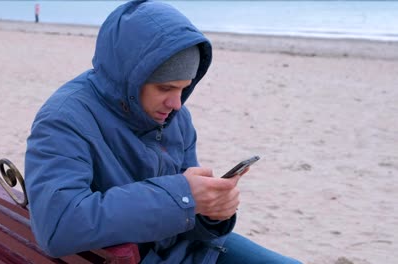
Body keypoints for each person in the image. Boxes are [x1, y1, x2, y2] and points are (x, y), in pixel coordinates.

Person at [25, 1, 302, 263]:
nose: (177, 103)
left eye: (184, 88)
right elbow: (59, 225)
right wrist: (183, 195)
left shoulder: (175, 117)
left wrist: (210, 210)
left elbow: (182, 210)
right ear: (132, 77)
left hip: (186, 250)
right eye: (166, 88)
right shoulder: (64, 119)